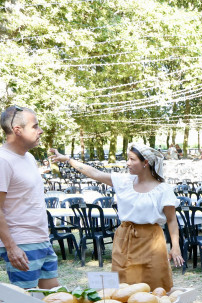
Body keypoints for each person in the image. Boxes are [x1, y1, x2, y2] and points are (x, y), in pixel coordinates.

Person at [50, 143, 183, 290]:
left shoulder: (162, 189)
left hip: (151, 241)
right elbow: (95, 173)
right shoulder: (124, 182)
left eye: (132, 159)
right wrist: (68, 160)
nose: (128, 163)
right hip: (124, 238)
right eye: (128, 158)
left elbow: (172, 220)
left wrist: (175, 247)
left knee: (154, 285)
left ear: (146, 162)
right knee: (123, 286)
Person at [0, 105, 60, 289]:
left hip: (42, 239)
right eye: (35, 126)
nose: (40, 131)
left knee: (54, 302)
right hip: (22, 243)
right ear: (17, 130)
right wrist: (11, 247)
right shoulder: (3, 160)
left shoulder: (29, 158)